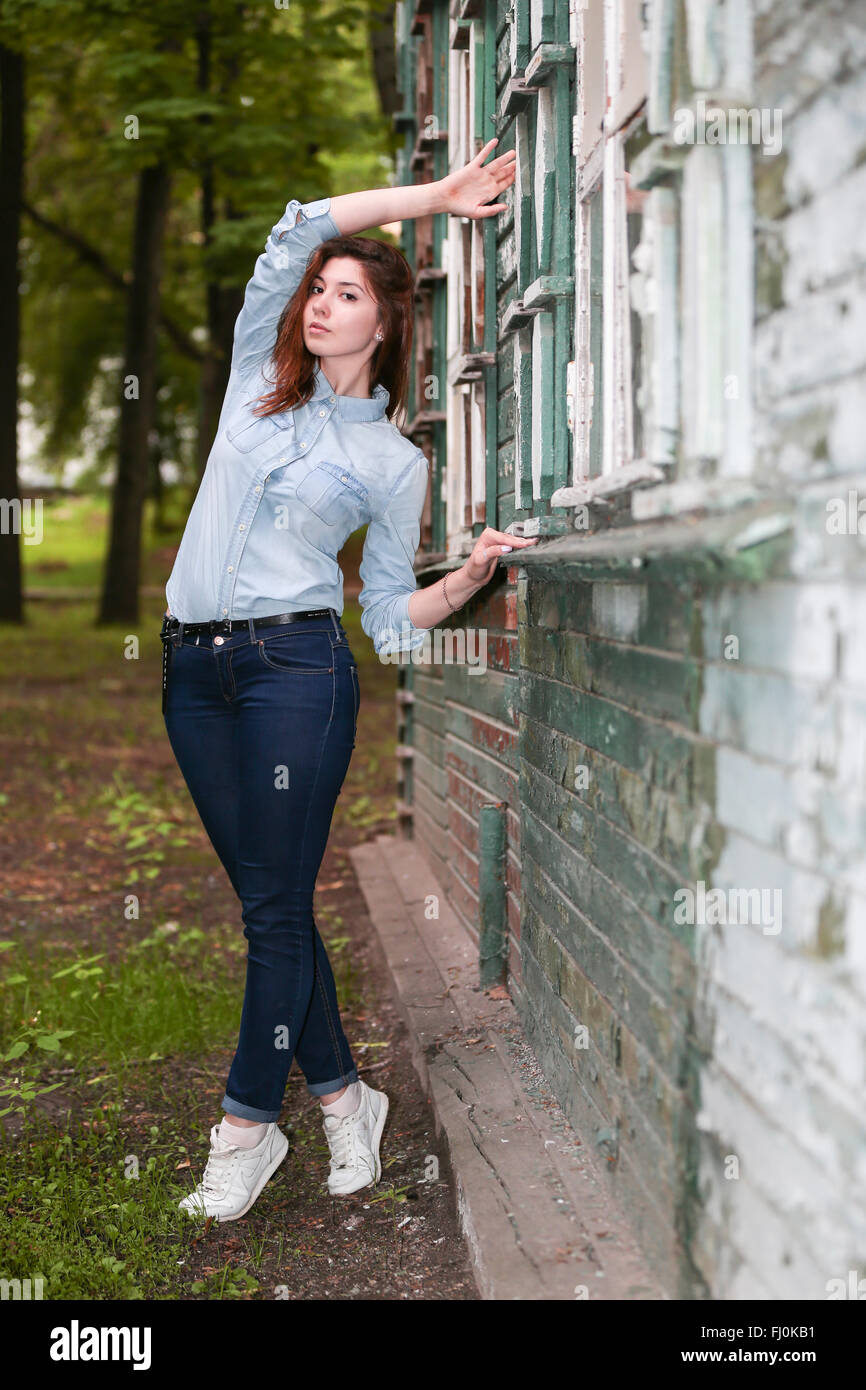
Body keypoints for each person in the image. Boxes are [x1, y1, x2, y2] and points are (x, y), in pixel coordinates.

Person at [160, 138, 538, 1222]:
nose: (319, 303)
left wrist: (460, 579)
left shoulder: (394, 461)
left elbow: (383, 616)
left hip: (296, 674)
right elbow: (295, 225)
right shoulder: (252, 386)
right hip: (193, 671)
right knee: (268, 904)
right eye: (318, 291)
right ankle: (341, 1097)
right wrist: (434, 198)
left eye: (344, 294)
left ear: (383, 322)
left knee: (274, 911)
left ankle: (244, 1129)